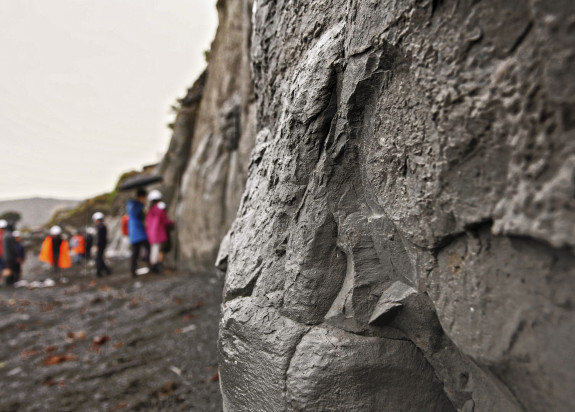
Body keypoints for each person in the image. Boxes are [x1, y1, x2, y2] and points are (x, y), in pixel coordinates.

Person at [145, 191, 174, 273]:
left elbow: (147, 223)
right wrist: (172, 223)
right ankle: (156, 267)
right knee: (159, 250)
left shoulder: (149, 212)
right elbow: (165, 221)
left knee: (154, 250)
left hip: (151, 234)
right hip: (159, 233)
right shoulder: (160, 210)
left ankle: (153, 266)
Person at [127, 188, 149, 277]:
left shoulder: (130, 204)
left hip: (133, 232)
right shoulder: (136, 205)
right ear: (141, 197)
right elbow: (138, 214)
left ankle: (133, 270)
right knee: (148, 248)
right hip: (139, 232)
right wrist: (142, 205)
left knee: (135, 252)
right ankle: (152, 266)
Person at [92, 212, 111, 277]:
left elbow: (98, 237)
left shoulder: (100, 227)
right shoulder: (103, 226)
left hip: (100, 245)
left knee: (98, 258)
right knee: (99, 258)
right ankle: (106, 270)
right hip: (102, 244)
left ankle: (99, 272)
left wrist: (97, 245)